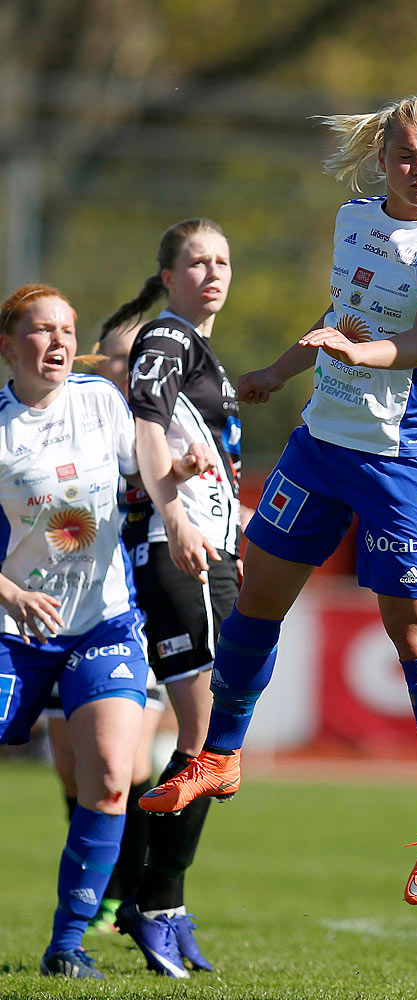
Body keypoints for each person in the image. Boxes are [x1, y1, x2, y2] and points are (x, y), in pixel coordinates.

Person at [141, 96, 417, 907]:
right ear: (384, 159)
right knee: (259, 593)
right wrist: (276, 369)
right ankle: (220, 755)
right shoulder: (354, 219)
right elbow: (342, 315)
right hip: (321, 444)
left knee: (413, 635)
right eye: (406, 155)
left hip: (403, 460)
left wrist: (358, 351)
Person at [0, 284, 201, 978]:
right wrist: (10, 593)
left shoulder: (99, 400)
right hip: (11, 629)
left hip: (103, 624)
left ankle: (68, 943)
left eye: (66, 329)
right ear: (7, 345)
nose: (56, 342)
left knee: (114, 777)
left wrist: (175, 472)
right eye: (39, 330)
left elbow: (141, 472)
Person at [98, 218, 241, 976]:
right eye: (197, 261)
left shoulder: (198, 349)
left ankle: (155, 901)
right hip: (174, 552)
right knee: (208, 737)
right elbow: (149, 428)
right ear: (170, 272)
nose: (212, 272)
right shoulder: (167, 339)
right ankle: (156, 901)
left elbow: (199, 453)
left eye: (222, 261)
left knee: (207, 741)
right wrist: (176, 513)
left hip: (208, 556)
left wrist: (229, 535)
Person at [41, 320, 171, 937]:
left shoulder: (164, 424)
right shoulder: (82, 417)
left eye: (143, 358)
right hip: (56, 616)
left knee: (127, 761)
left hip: (130, 617)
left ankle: (131, 897)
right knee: (73, 765)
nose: (136, 369)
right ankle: (100, 890)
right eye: (124, 359)